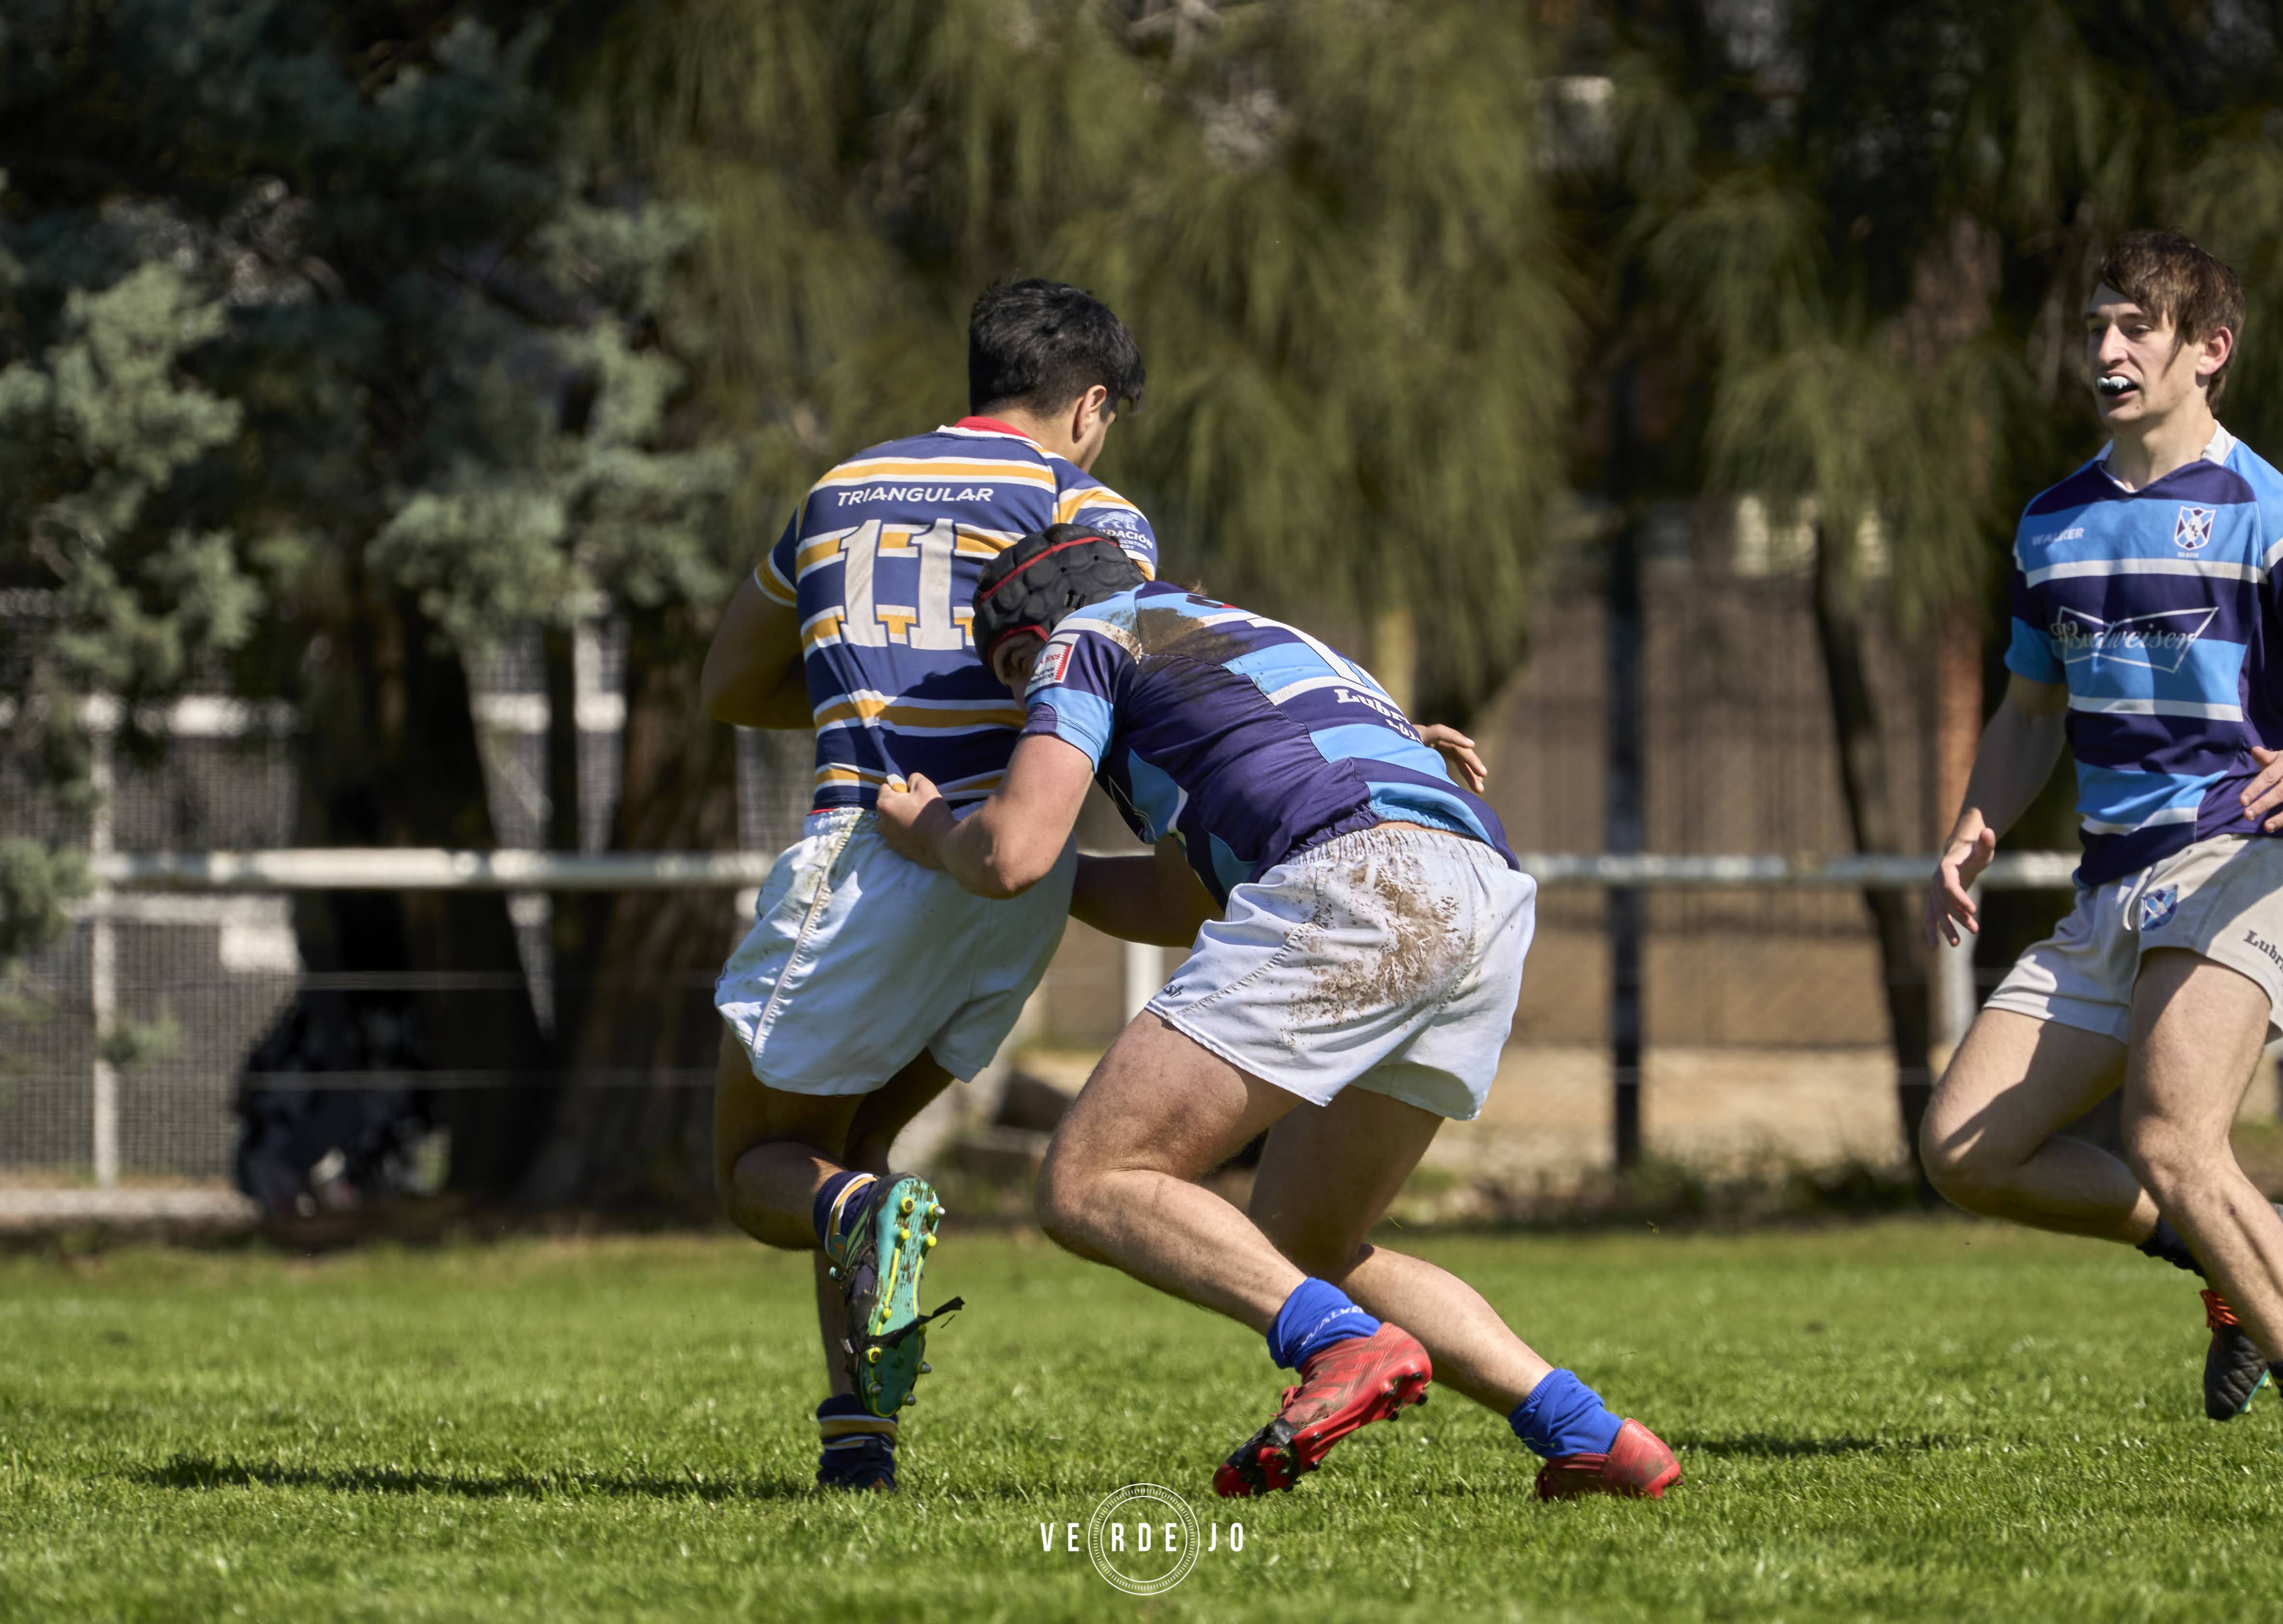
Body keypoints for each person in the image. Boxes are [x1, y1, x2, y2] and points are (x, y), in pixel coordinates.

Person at [877, 526, 1681, 1502]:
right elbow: (1175, 902)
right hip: (1478, 893)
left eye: (1011, 671)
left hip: (1359, 877)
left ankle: (1339, 1347)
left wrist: (932, 836)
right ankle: (1590, 1435)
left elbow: (1011, 855)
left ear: (1041, 624)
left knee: (1091, 1179)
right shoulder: (1257, 639)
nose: (1021, 700)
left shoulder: (1079, 641)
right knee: (1309, 1241)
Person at [699, 282, 1158, 1491]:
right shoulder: (1094, 509)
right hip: (1017, 871)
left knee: (763, 1176)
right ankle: (859, 1444)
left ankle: (859, 1262)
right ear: (1089, 405)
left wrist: (868, 684)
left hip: (874, 849)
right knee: (851, 1150)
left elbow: (730, 685)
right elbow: (1111, 684)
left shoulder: (836, 491)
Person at [1921, 230, 2283, 1423]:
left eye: (2137, 327)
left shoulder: (2263, 510)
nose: (2108, 349)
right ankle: (2217, 1256)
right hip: (2109, 887)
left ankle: (2230, 1246)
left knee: (2175, 1139)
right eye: (2096, 327)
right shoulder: (2052, 522)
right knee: (1964, 1150)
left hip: (2237, 858)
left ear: (2208, 352)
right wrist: (1977, 818)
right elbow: (2032, 708)